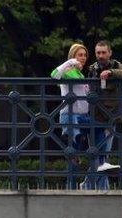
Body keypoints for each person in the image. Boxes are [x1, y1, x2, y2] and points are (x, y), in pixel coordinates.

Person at [87, 40, 122, 190]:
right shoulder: (92, 68)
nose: (100, 56)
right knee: (97, 155)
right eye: (98, 53)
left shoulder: (115, 65)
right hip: (94, 115)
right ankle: (98, 186)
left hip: (110, 117)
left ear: (110, 53)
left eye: (103, 52)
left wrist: (111, 73)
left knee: (103, 155)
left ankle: (91, 186)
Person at [51, 43, 91, 190]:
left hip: (83, 116)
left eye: (85, 55)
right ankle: (71, 187)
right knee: (73, 154)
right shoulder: (67, 70)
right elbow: (54, 75)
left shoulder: (80, 74)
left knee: (98, 144)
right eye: (79, 55)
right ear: (73, 56)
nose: (83, 58)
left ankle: (83, 184)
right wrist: (70, 62)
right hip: (70, 115)